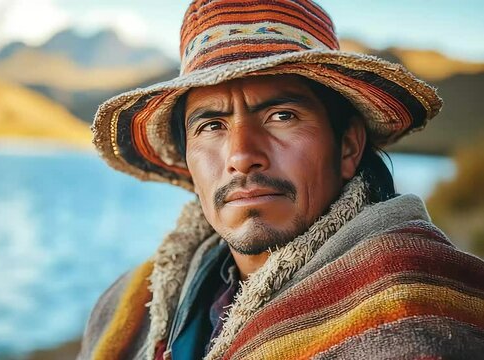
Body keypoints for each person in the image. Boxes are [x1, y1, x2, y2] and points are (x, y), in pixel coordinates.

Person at [78, 1, 484, 359]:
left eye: (281, 116)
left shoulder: (411, 311)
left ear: (347, 147)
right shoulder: (134, 304)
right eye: (212, 125)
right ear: (187, 162)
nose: (241, 156)